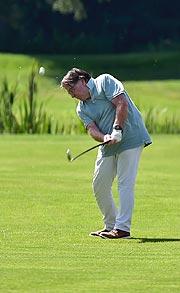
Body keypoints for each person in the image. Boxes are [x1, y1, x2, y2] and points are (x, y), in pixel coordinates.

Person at [61, 68, 152, 239]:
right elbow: (92, 129)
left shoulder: (105, 81)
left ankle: (123, 229)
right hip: (108, 145)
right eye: (69, 93)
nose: (72, 95)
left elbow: (121, 103)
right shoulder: (82, 108)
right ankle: (111, 225)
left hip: (131, 137)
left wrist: (117, 129)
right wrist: (104, 136)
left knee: (125, 183)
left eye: (71, 90)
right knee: (99, 185)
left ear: (82, 80)